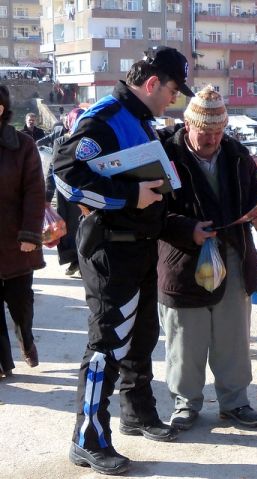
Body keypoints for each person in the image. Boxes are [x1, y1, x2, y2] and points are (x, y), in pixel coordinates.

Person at [53, 45, 195, 475]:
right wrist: (129, 196)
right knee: (107, 345)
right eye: (173, 90)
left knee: (141, 338)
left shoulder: (139, 119)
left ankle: (137, 412)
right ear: (152, 83)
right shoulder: (105, 118)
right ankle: (88, 439)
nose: (175, 99)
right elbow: (66, 176)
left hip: (140, 247)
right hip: (111, 250)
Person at [158, 86, 257, 431]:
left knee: (233, 336)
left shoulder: (236, 154)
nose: (212, 139)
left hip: (233, 256)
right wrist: (187, 229)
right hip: (182, 262)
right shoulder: (165, 156)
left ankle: (235, 402)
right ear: (187, 125)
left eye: (218, 132)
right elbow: (151, 213)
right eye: (204, 132)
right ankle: (185, 403)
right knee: (185, 338)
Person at [0, 86, 45, 378]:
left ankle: (26, 340)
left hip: (16, 240)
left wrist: (30, 233)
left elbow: (35, 191)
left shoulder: (23, 145)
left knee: (21, 305)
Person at [41, 108, 86, 277]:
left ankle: (79, 262)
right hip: (76, 192)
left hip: (75, 192)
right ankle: (77, 261)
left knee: (78, 228)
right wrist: (47, 197)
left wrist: (47, 196)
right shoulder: (65, 141)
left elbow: (53, 169)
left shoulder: (83, 140)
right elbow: (53, 169)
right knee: (73, 228)